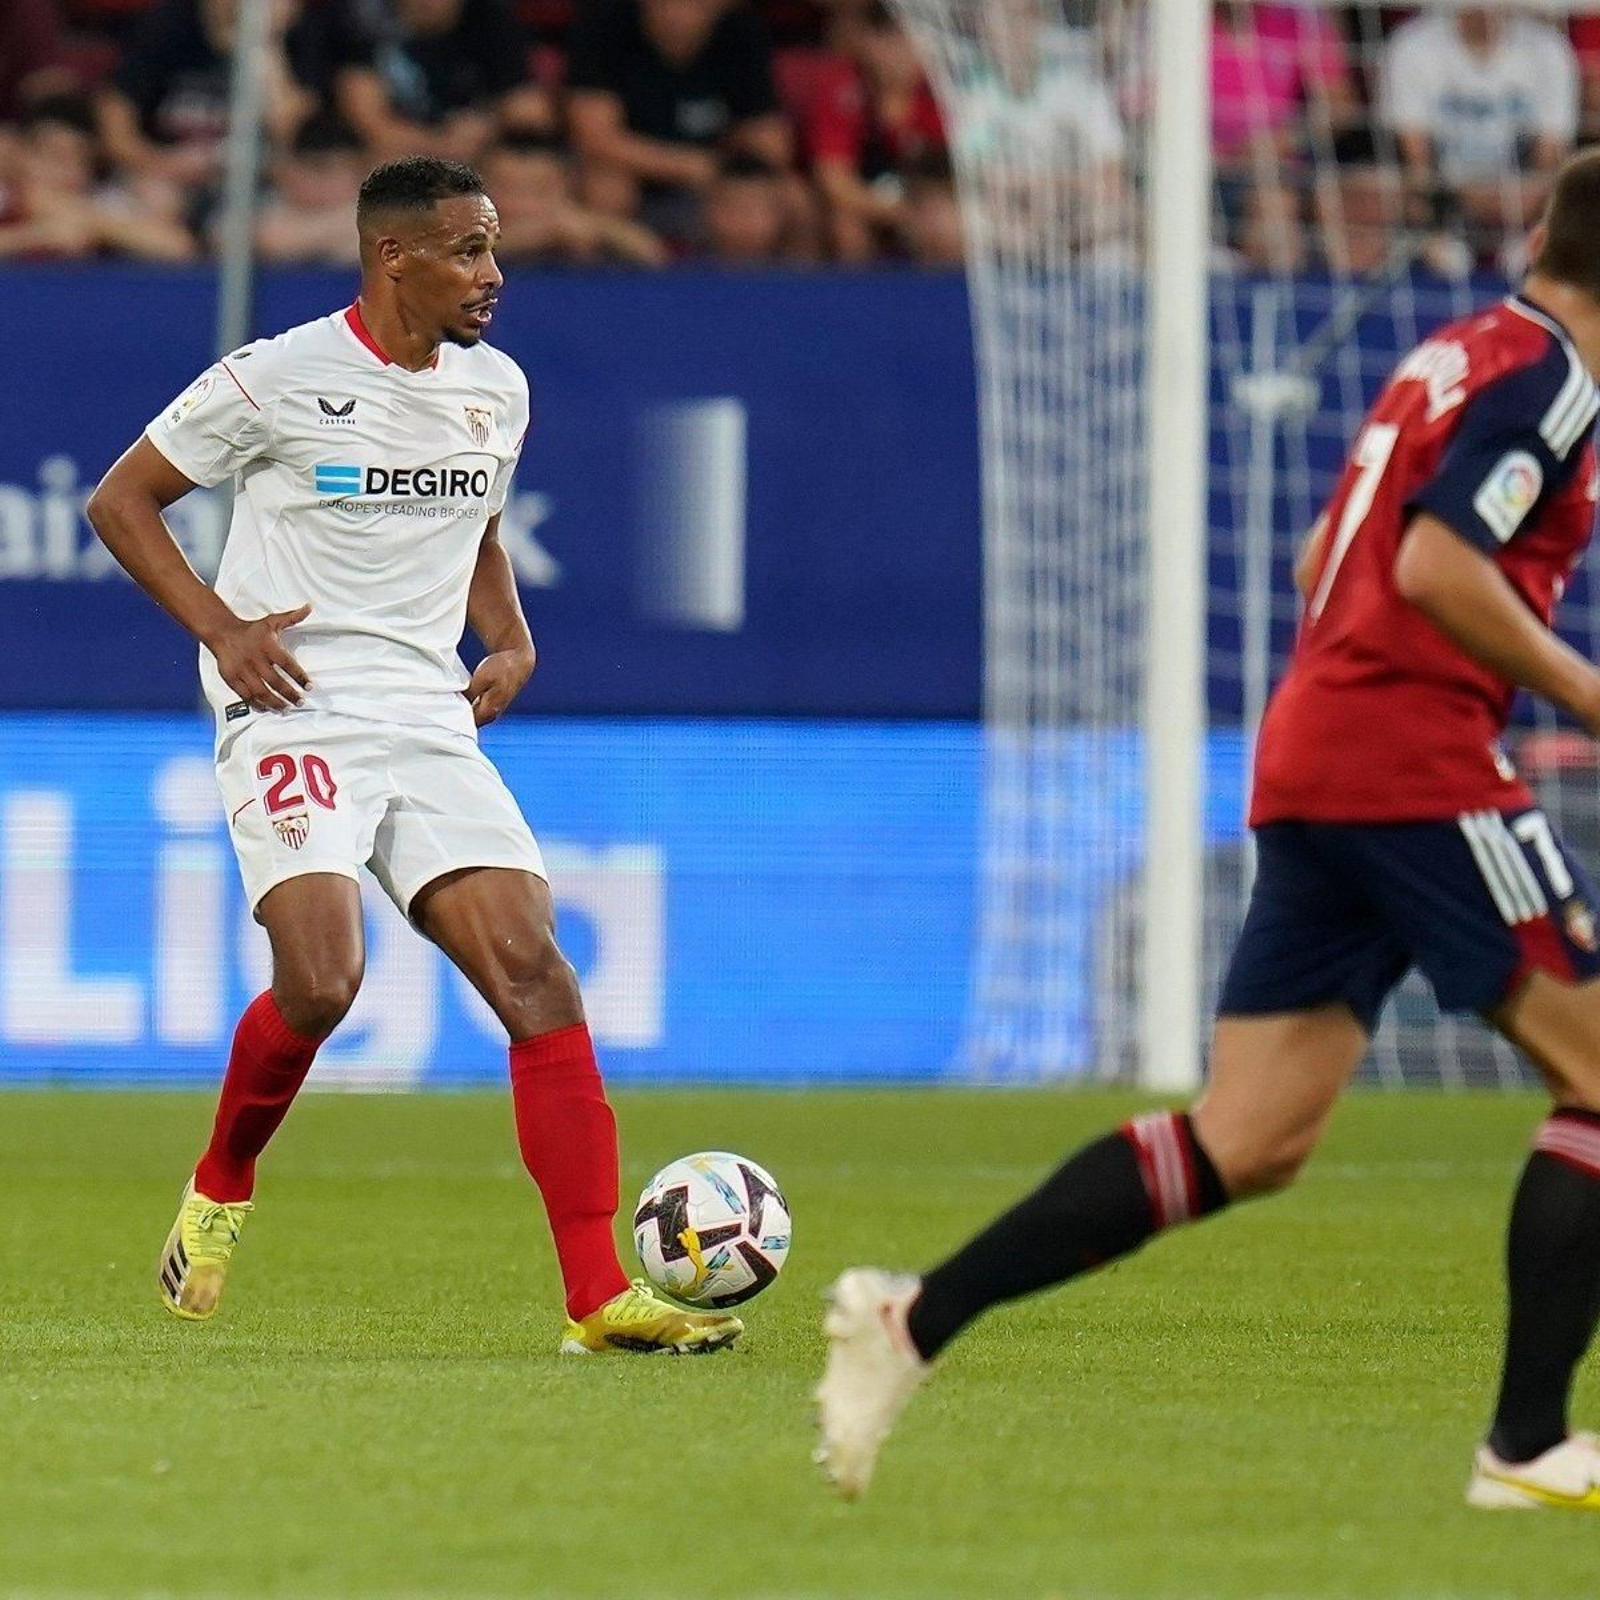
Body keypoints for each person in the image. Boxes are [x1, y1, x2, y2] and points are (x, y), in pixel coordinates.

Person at [816, 147, 1600, 1506]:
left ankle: (912, 1320)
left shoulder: (1462, 352)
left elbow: (1322, 560)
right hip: (1411, 756)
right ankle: (1526, 1449)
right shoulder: (1560, 385)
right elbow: (1429, 562)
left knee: (1249, 1138)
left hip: (1319, 746)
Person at [85, 156, 740, 1357]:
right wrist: (222, 631)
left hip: (427, 711)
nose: (492, 276)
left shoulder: (497, 388)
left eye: (494, 250)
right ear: (394, 256)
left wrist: (512, 631)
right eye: (467, 251)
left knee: (536, 972)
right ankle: (223, 1180)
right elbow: (120, 501)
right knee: (325, 979)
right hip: (293, 703)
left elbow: (476, 523)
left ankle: (597, 1296)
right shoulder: (274, 378)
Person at [565, 0, 791, 243]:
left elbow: (769, 140)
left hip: (714, 172)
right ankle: (609, 279)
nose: (681, 11)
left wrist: (739, 173)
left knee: (791, 198)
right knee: (607, 188)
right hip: (635, 169)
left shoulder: (743, 32)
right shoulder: (603, 24)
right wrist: (690, 167)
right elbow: (595, 138)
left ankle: (772, 281)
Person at [1382, 6, 1579, 265]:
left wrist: (1517, 200)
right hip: (1445, 194)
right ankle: (1429, 245)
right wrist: (1452, 201)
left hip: (1523, 197)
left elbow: (1550, 156)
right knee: (1375, 193)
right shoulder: (1411, 45)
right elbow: (1415, 158)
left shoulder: (1548, 48)